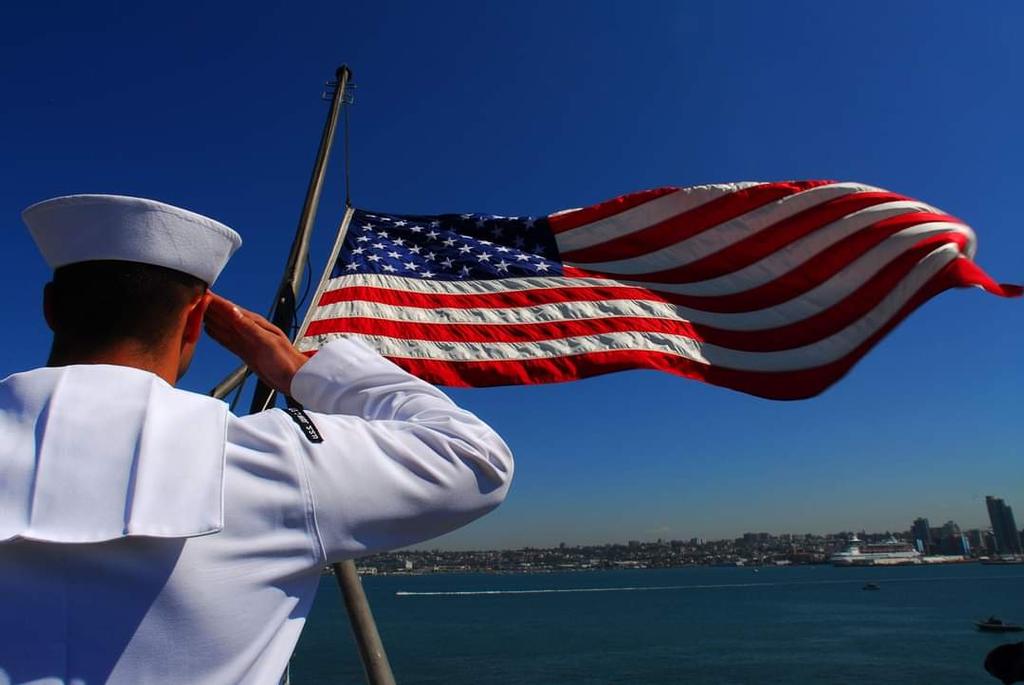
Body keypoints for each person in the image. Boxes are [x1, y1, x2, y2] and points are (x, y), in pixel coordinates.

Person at [0, 194, 514, 684]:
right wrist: (299, 371)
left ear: (50, 309)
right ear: (196, 319)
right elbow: (476, 457)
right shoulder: (272, 463)